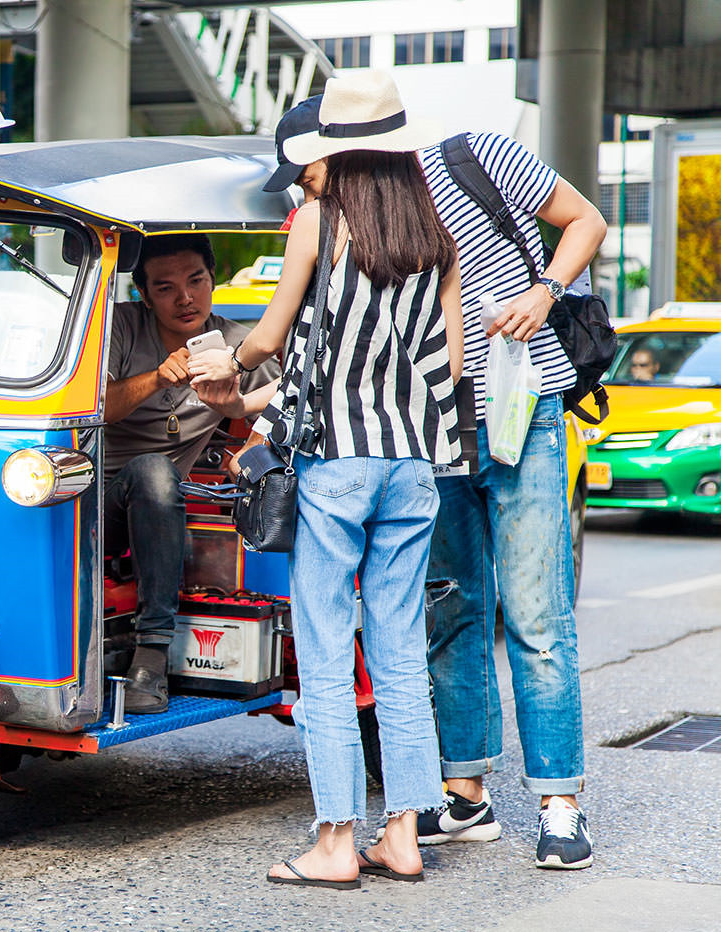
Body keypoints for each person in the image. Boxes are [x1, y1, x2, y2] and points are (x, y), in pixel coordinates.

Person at [191, 70, 464, 888]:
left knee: (324, 649)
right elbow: (445, 363)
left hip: (338, 467)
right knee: (400, 655)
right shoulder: (438, 230)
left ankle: (337, 842)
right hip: (414, 466)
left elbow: (272, 337)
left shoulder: (317, 220)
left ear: (335, 151)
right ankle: (406, 836)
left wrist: (224, 369)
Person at [409, 102, 608, 872]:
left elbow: (584, 220)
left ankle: (560, 807)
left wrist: (546, 291)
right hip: (431, 430)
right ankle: (466, 797)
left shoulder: (476, 156)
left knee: (535, 613)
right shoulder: (361, 216)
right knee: (453, 610)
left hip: (525, 409)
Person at [104, 234, 279, 714]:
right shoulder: (120, 326)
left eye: (196, 281)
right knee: (152, 472)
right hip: (99, 499)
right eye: (165, 288)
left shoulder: (238, 346)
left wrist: (252, 443)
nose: (185, 298)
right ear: (143, 294)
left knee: (159, 476)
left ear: (213, 280)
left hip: (163, 500)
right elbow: (97, 408)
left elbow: (290, 395)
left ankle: (151, 657)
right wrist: (158, 376)